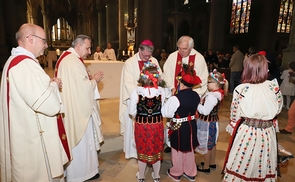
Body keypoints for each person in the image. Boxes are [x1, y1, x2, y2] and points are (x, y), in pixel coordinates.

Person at [0, 23, 69, 181]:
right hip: (32, 140)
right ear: (30, 38)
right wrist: (54, 85)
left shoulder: (14, 61)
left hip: (24, 130)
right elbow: (48, 105)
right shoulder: (25, 65)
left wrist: (47, 84)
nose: (46, 45)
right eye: (44, 40)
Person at [223, 53, 283, 181]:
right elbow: (278, 108)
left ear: (248, 69)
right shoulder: (274, 87)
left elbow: (235, 113)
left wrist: (234, 124)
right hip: (267, 132)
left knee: (242, 162)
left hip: (248, 132)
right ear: (265, 68)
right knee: (263, 162)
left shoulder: (241, 89)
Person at [55, 34, 104, 182]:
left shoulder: (71, 59)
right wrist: (94, 80)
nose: (89, 51)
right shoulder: (72, 62)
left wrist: (90, 79)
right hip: (77, 110)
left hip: (75, 106)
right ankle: (80, 174)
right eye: (88, 48)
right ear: (78, 46)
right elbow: (82, 89)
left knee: (85, 141)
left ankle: (89, 170)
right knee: (81, 140)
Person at [162, 35, 208, 153]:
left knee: (188, 124)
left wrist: (193, 96)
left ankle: (188, 143)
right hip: (174, 96)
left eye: (184, 49)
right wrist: (172, 87)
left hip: (190, 99)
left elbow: (203, 79)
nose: (181, 51)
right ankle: (170, 142)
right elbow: (166, 74)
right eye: (179, 48)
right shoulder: (172, 57)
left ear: (191, 47)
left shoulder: (199, 58)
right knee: (171, 119)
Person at [119, 39, 162, 159]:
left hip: (152, 102)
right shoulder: (130, 63)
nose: (147, 58)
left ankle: (150, 151)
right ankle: (133, 153)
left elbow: (159, 77)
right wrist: (142, 94)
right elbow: (128, 83)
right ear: (139, 50)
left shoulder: (154, 61)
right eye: (145, 55)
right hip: (136, 100)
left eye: (149, 55)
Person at [161, 65, 202, 182]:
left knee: (177, 149)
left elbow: (166, 113)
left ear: (181, 83)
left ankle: (177, 172)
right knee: (189, 148)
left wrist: (166, 101)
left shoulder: (176, 98)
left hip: (179, 126)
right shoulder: (196, 95)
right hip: (191, 124)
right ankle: (191, 172)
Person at [129, 62, 166, 182]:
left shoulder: (137, 91)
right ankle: (157, 176)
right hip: (157, 125)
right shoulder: (161, 91)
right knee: (156, 149)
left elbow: (132, 111)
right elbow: (163, 109)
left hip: (142, 126)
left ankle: (141, 176)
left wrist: (140, 116)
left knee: (142, 148)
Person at [196, 69, 228, 175]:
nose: (207, 84)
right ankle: (212, 162)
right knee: (212, 144)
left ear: (216, 83)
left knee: (206, 145)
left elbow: (205, 111)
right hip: (213, 122)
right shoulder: (218, 94)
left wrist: (198, 104)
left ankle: (206, 167)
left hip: (207, 123)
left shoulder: (211, 96)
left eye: (209, 82)